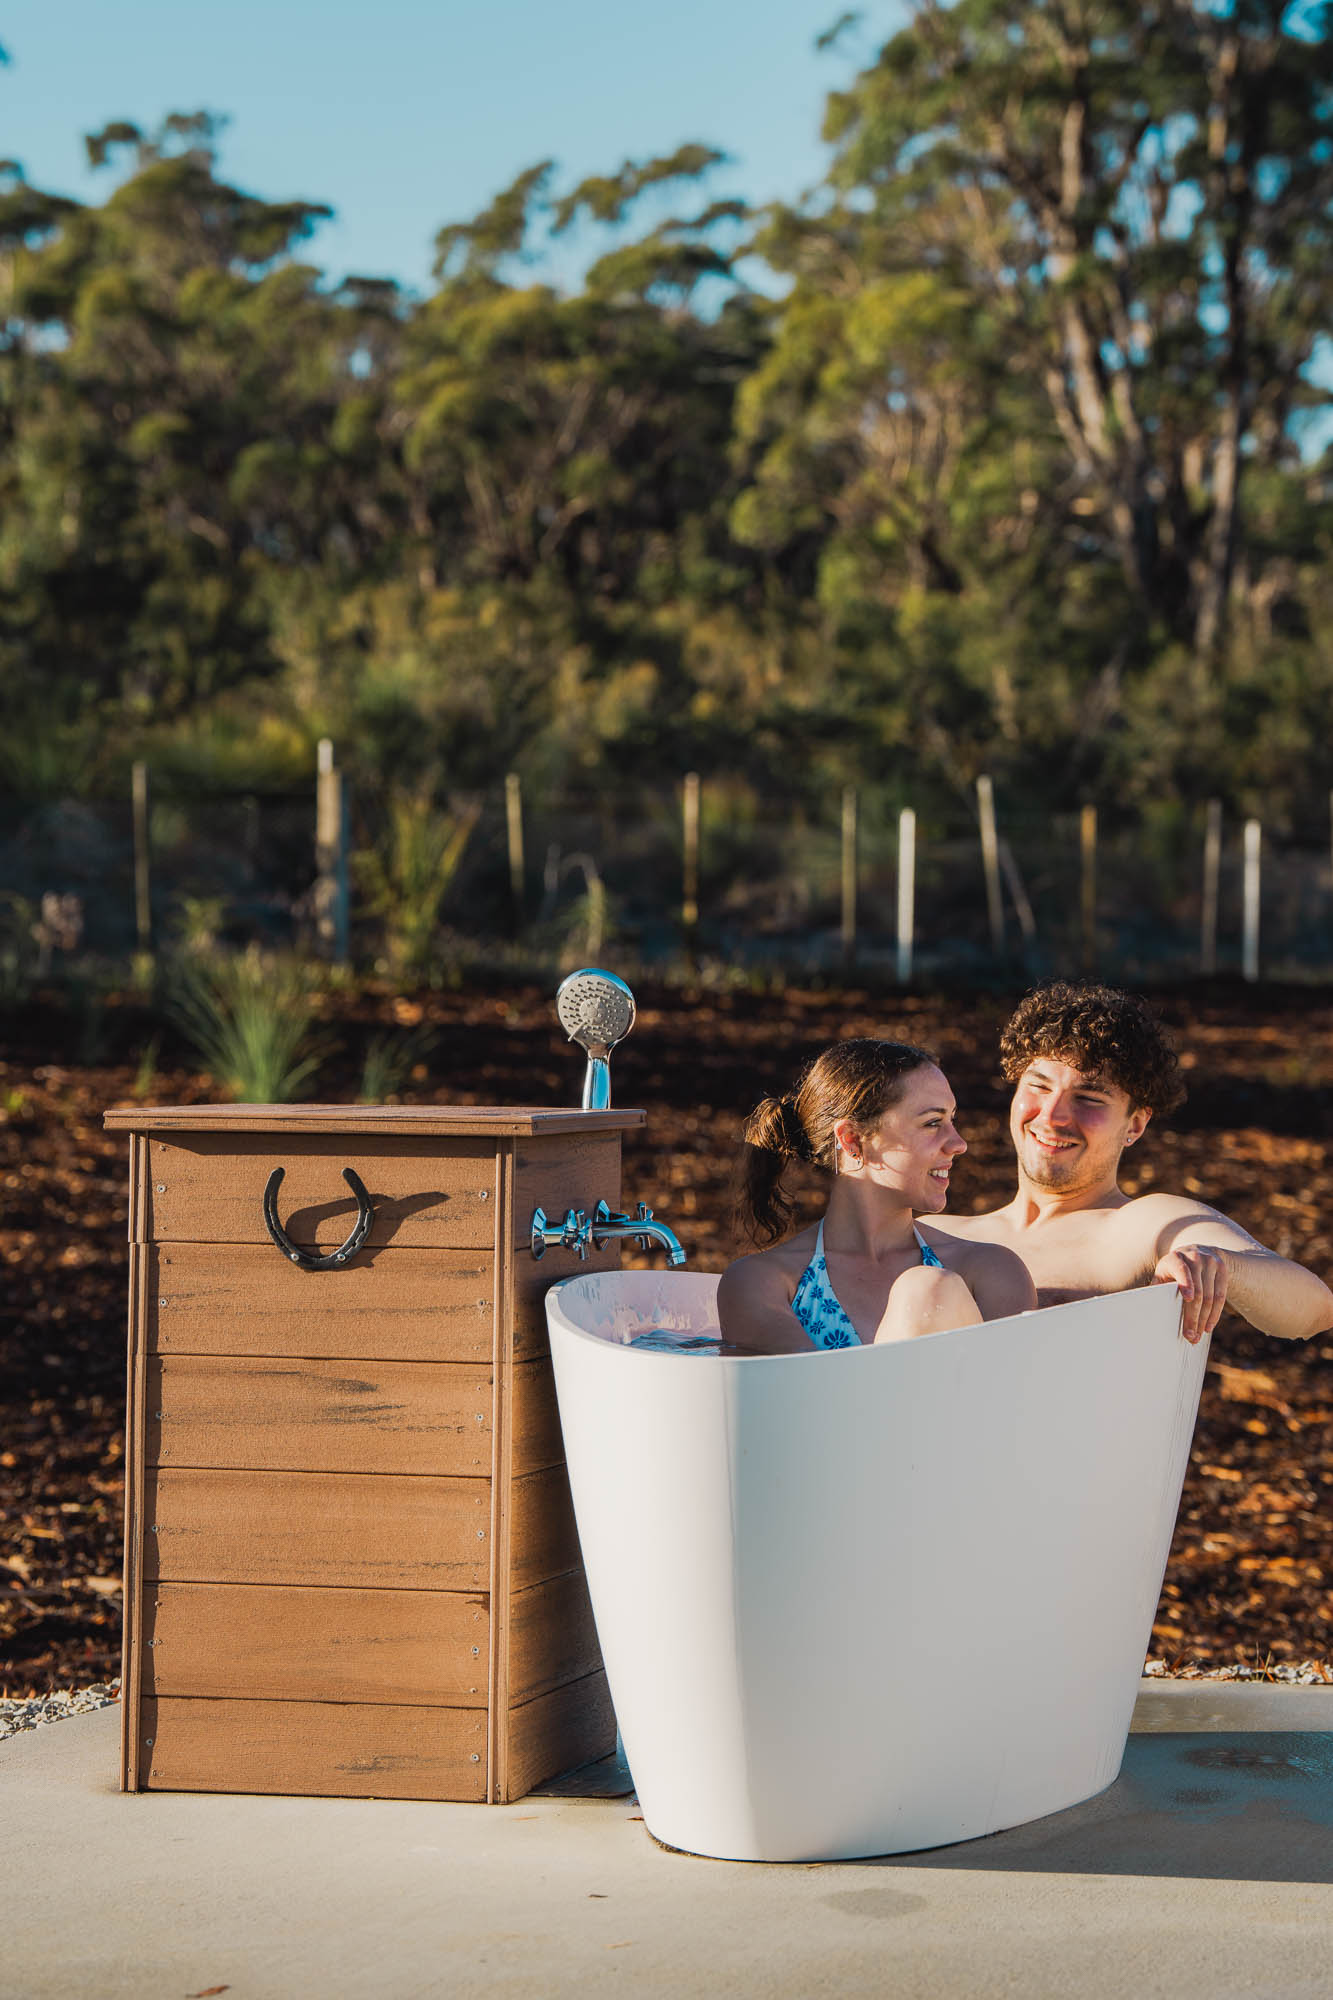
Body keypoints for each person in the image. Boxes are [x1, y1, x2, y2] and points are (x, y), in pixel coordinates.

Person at [929, 982, 1333, 1347]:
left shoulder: (1143, 1227)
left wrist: (1221, 1265)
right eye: (1038, 1085)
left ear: (1136, 1124)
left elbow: (1313, 1309)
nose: (1052, 1116)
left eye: (1089, 1098)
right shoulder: (936, 1234)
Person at [717, 1039, 1035, 1354]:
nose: (958, 1143)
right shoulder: (765, 1284)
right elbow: (811, 1400)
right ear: (853, 1140)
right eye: (933, 1122)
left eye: (952, 1120)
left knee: (929, 1291)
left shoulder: (990, 1272)